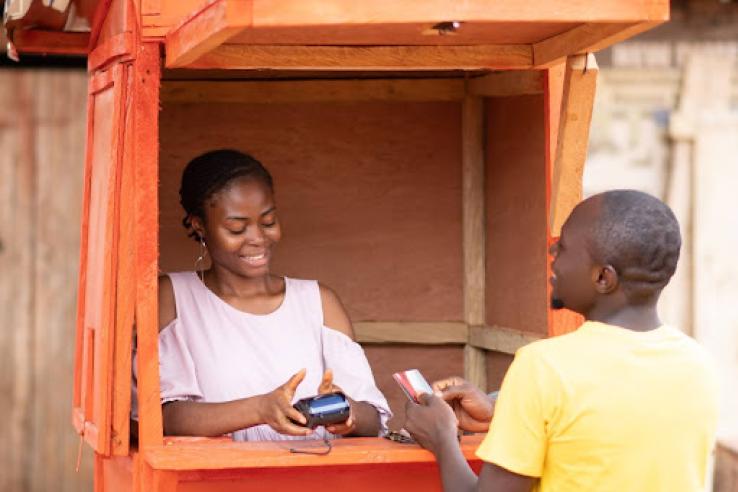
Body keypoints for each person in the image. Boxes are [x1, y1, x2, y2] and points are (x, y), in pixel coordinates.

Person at [405, 190, 719, 491]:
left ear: (602, 278)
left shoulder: (542, 366)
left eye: (564, 247)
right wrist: (502, 415)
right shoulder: (698, 364)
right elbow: (607, 429)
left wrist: (442, 438)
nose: (552, 254)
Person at [132, 149, 390, 441]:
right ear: (199, 225)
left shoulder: (319, 302)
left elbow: (372, 419)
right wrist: (259, 409)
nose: (258, 238)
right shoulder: (173, 298)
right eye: (236, 228)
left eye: (268, 222)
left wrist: (347, 411)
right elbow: (165, 416)